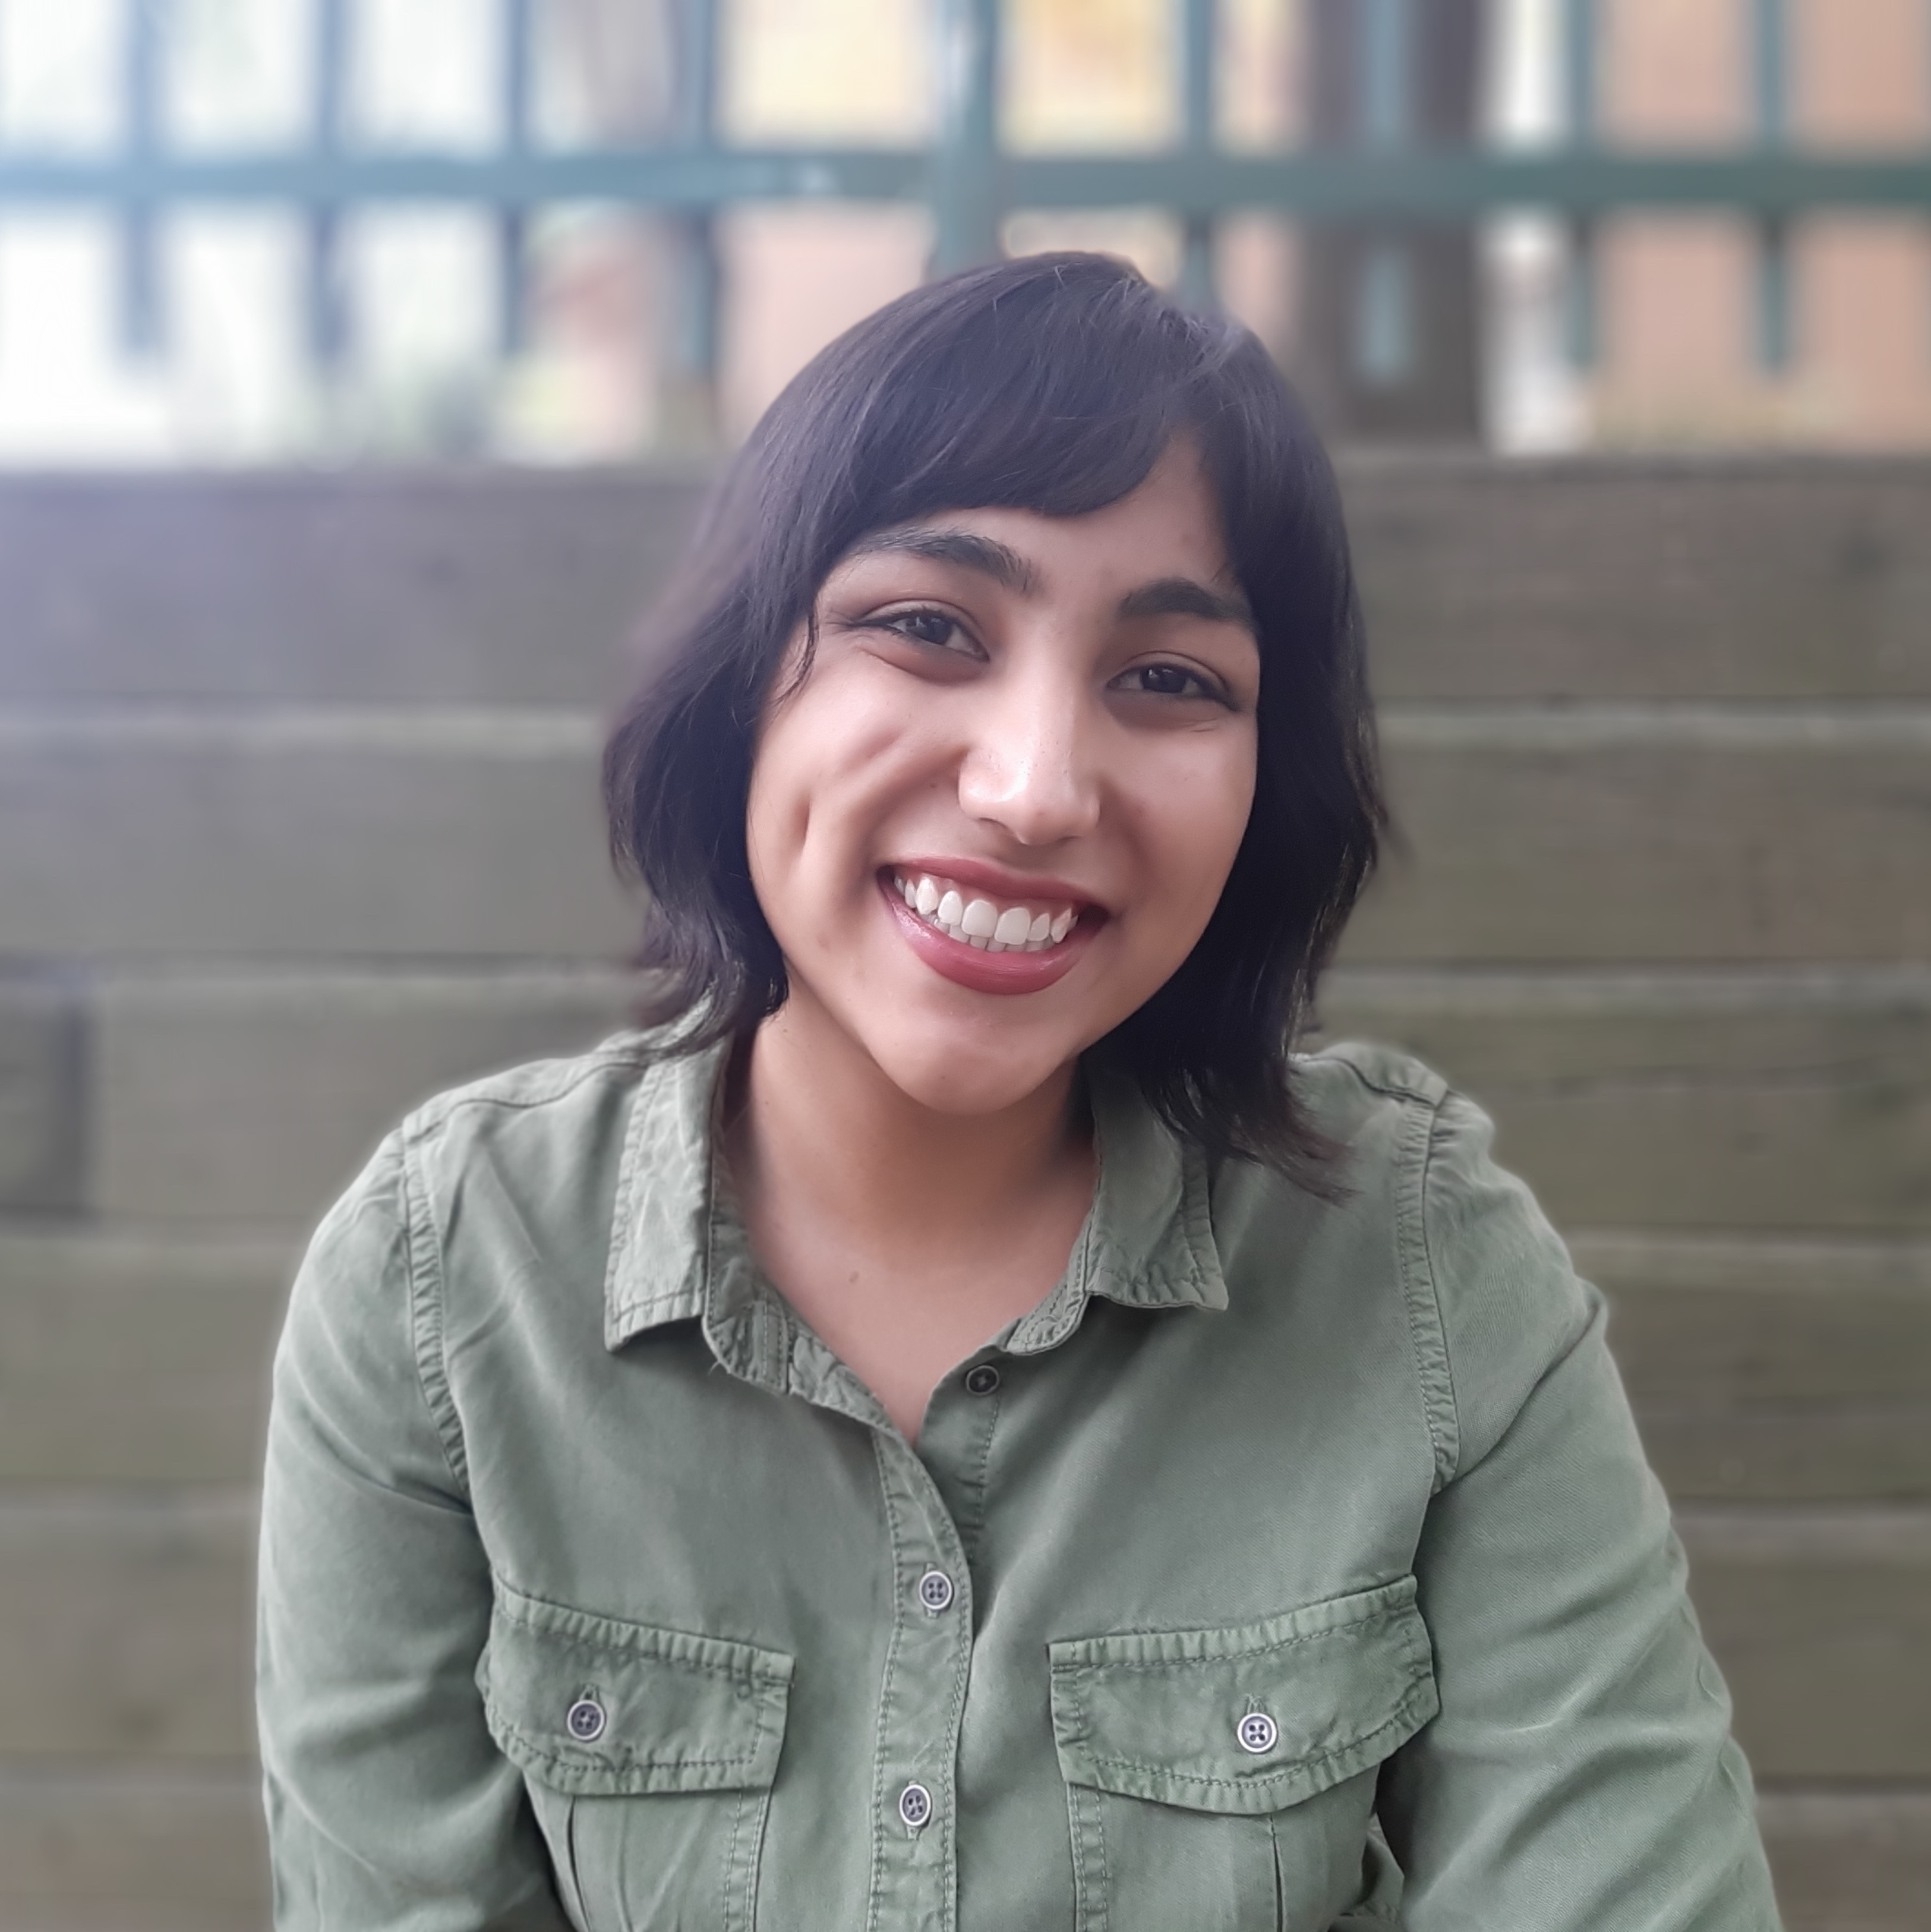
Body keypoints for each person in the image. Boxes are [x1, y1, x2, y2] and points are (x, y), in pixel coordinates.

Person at [256, 253, 1781, 1931]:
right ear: (744, 679)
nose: (1036, 785)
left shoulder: (1423, 1265)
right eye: (926, 627)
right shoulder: (441, 1281)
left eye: (1169, 678)